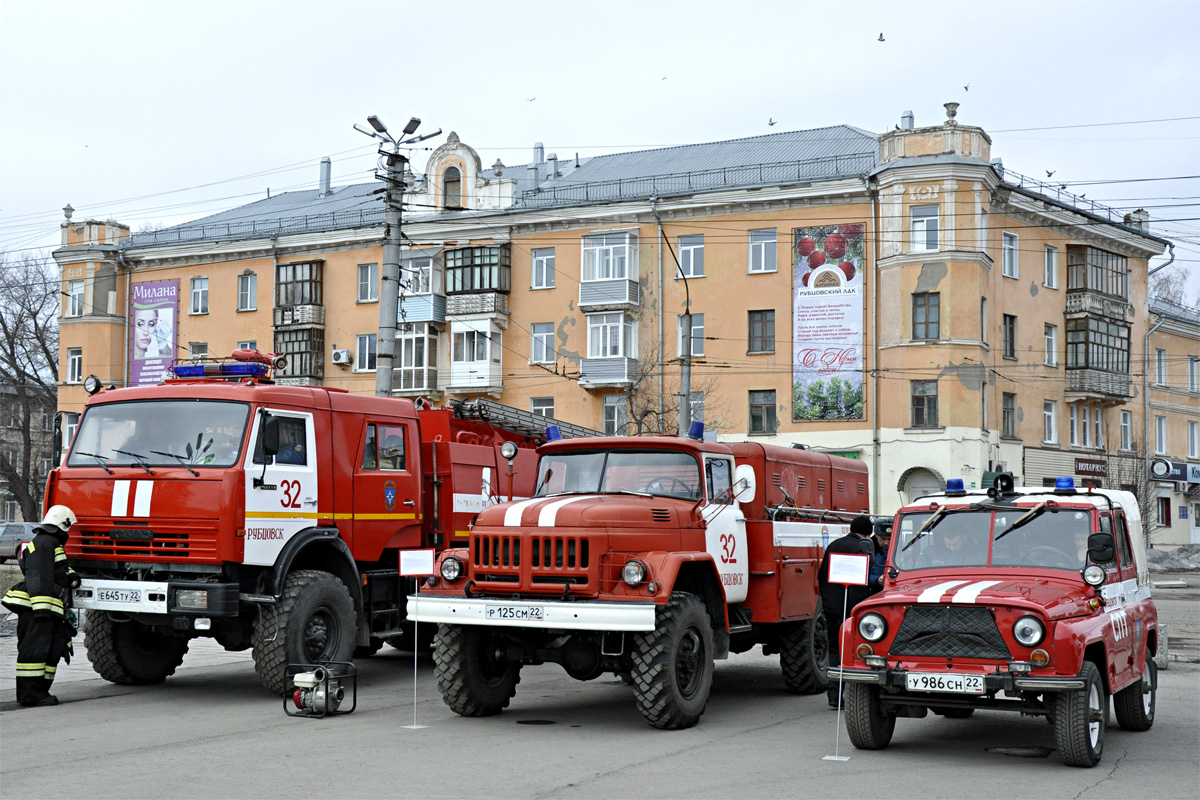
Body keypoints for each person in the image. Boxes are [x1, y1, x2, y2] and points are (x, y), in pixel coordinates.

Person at [2, 505, 80, 707]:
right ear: (63, 525)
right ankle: (31, 695)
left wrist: (72, 577)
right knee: (35, 652)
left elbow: (57, 569)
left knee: (51, 648)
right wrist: (41, 609)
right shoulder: (45, 544)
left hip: (46, 608)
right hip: (38, 609)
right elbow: (37, 576)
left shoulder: (49, 544)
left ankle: (40, 691)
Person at [818, 514, 875, 707]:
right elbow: (864, 581)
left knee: (834, 649)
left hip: (832, 608)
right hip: (853, 610)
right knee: (855, 653)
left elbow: (821, 576)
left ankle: (835, 696)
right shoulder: (863, 548)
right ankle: (854, 697)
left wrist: (828, 602)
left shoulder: (834, 546)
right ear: (868, 533)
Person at [868, 521, 891, 593]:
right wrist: (877, 580)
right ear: (876, 536)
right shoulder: (869, 551)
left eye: (889, 539)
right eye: (883, 539)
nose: (886, 543)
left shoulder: (901, 552)